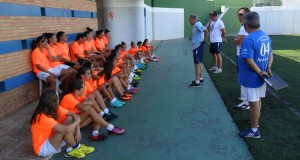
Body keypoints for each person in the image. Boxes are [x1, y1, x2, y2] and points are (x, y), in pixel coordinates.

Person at [238, 11, 273, 138]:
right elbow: (270, 54)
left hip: (251, 77)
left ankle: (254, 130)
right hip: (261, 77)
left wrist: (260, 72)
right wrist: (268, 68)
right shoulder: (265, 36)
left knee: (253, 103)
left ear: (246, 25)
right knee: (257, 100)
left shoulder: (249, 38)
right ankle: (255, 123)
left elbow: (249, 60)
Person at [30, 90, 94, 158]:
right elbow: (66, 129)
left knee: (69, 119)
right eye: (57, 100)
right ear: (51, 102)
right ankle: (77, 147)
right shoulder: (42, 117)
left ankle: (68, 151)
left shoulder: (54, 108)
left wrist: (78, 130)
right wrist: (77, 121)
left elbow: (73, 115)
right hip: (42, 148)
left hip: (51, 138)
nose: (58, 101)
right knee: (65, 130)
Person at [234, 7, 251, 110]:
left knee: (245, 78)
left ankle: (247, 102)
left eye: (241, 14)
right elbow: (238, 38)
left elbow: (238, 41)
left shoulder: (244, 27)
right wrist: (237, 38)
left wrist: (236, 38)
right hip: (242, 55)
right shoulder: (244, 27)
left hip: (243, 55)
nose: (239, 16)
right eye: (238, 14)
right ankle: (245, 100)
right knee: (243, 77)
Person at [188, 14, 208, 87]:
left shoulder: (197, 24)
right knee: (199, 63)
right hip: (197, 46)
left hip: (197, 46)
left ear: (193, 19)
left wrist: (205, 40)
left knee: (196, 64)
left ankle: (197, 81)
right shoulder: (197, 24)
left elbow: (206, 30)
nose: (189, 21)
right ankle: (200, 78)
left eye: (189, 20)